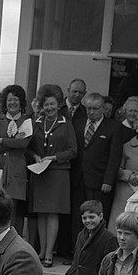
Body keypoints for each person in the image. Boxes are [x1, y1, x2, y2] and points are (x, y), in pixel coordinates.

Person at [29, 85, 78, 265]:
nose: (49, 108)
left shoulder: (66, 123)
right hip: (40, 172)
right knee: (41, 213)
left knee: (52, 214)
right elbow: (29, 146)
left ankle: (50, 252)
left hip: (58, 172)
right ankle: (41, 251)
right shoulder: (37, 123)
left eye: (52, 104)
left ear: (58, 105)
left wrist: (55, 157)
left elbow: (73, 151)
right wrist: (35, 155)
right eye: (46, 105)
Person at [73, 92, 120, 221]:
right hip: (78, 179)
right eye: (89, 108)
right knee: (77, 218)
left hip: (99, 181)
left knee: (95, 217)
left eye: (95, 109)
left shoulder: (113, 127)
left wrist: (108, 180)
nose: (91, 112)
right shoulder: (77, 124)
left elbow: (114, 157)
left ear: (103, 108)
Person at [0, 85, 33, 229]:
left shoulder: (26, 121)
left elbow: (23, 143)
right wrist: (12, 143)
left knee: (13, 210)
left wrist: (1, 140)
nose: (12, 103)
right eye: (9, 100)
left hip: (16, 170)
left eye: (16, 99)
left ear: (21, 102)